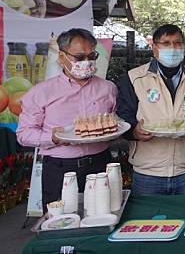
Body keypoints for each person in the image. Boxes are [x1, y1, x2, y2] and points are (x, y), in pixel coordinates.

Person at [17, 28, 117, 210]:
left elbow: (115, 121)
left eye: (91, 56)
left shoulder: (108, 88)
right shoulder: (41, 93)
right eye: (79, 57)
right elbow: (24, 134)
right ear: (61, 57)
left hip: (100, 164)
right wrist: (52, 138)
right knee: (61, 224)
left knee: (103, 216)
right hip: (60, 169)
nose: (86, 62)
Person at [116, 24, 185, 196]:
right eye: (166, 43)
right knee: (147, 222)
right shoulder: (134, 78)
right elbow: (123, 116)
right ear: (154, 48)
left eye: (178, 43)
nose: (173, 48)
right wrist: (133, 131)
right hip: (148, 171)